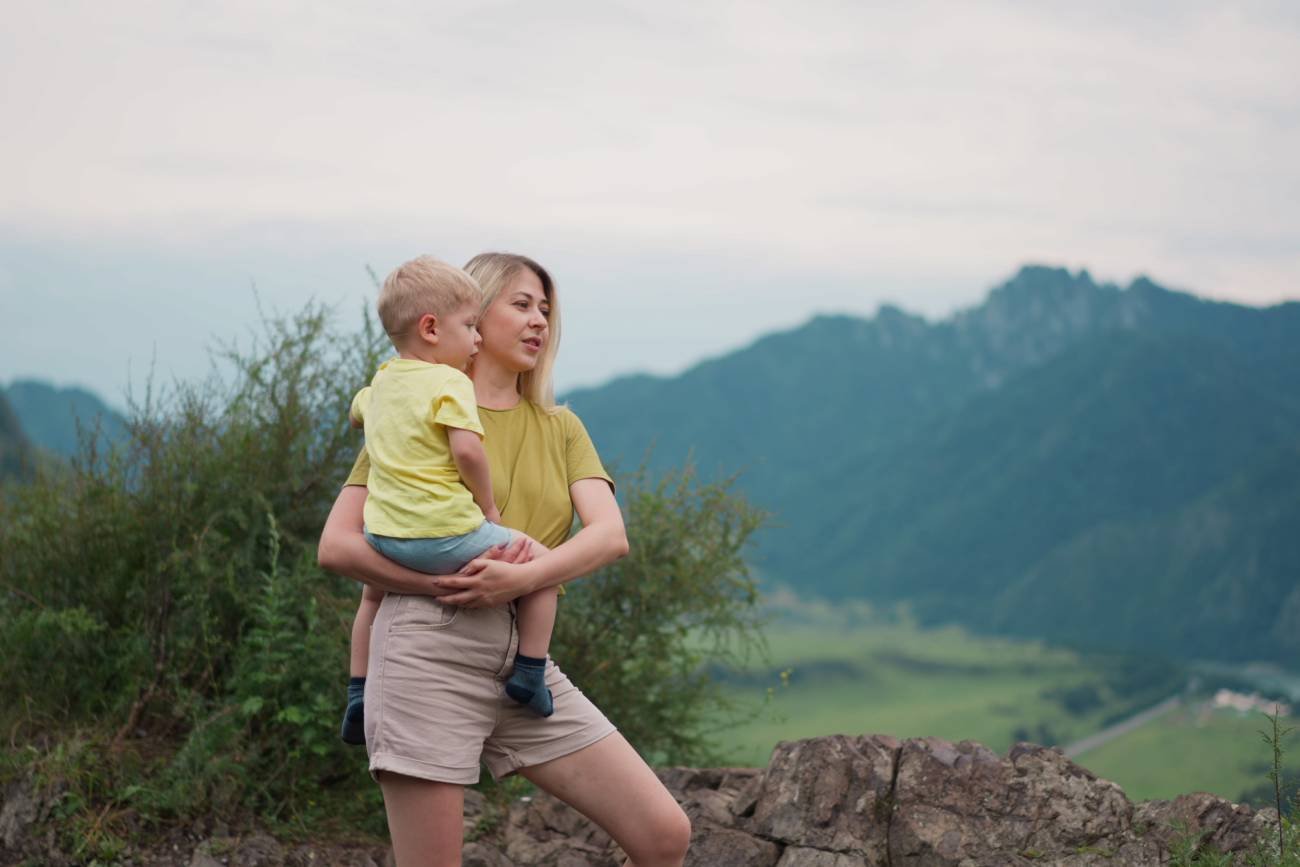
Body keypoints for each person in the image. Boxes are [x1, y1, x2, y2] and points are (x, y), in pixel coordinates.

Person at [318, 252, 692, 866]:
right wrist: (441, 584)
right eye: (521, 304)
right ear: (473, 315)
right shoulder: (416, 414)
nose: (539, 320)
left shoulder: (561, 426)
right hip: (425, 652)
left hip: (525, 661)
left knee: (663, 833)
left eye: (545, 309)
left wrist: (519, 579)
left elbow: (609, 535)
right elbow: (337, 545)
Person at [341, 256, 561, 747]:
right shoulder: (449, 384)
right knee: (543, 566)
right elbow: (466, 450)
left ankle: (358, 691)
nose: (476, 337)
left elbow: (357, 412)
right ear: (432, 329)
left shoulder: (379, 386)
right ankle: (530, 670)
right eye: (469, 325)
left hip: (383, 537)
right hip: (443, 534)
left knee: (370, 596)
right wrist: (487, 507)